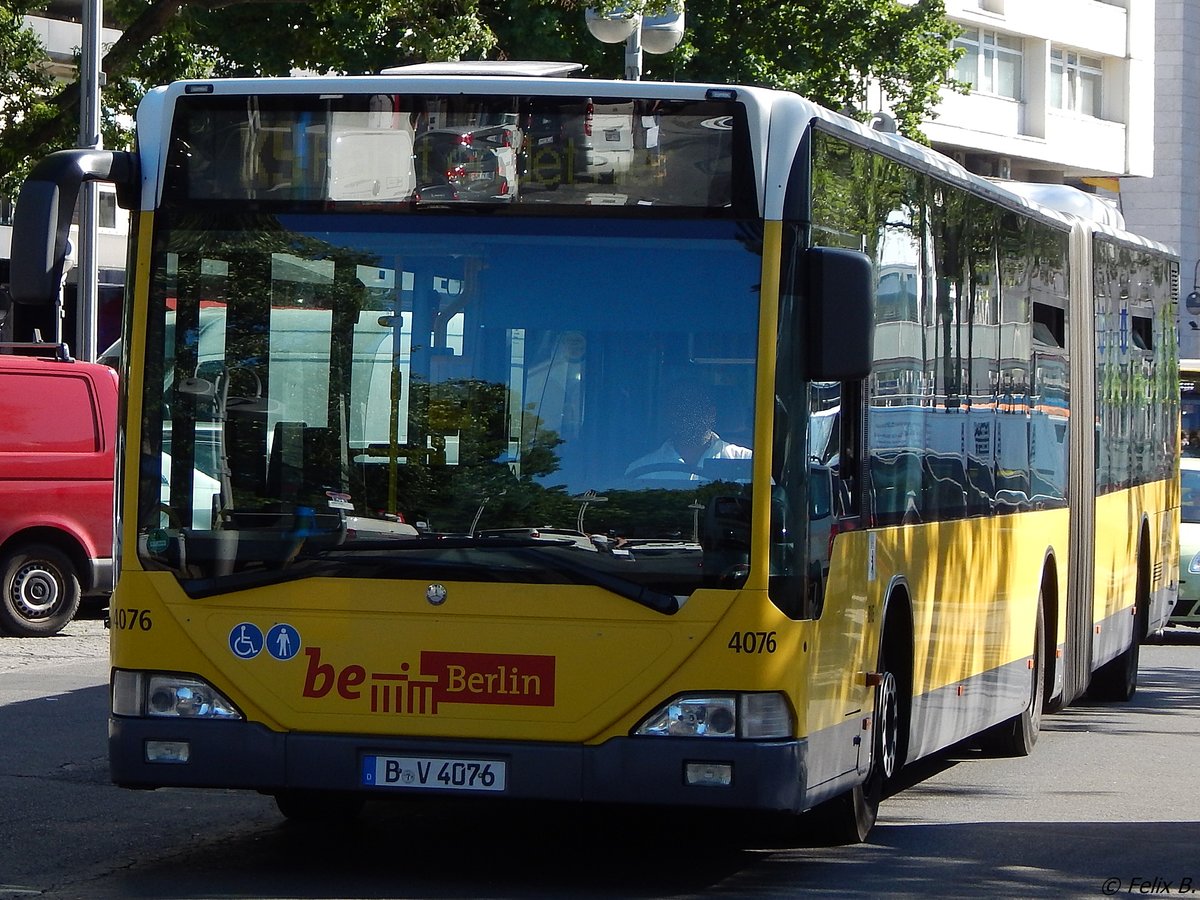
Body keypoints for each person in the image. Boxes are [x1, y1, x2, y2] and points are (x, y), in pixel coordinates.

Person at [625, 381, 751, 480]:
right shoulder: (640, 471)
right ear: (667, 414)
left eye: (694, 405)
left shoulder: (748, 463)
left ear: (711, 413)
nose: (686, 414)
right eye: (678, 406)